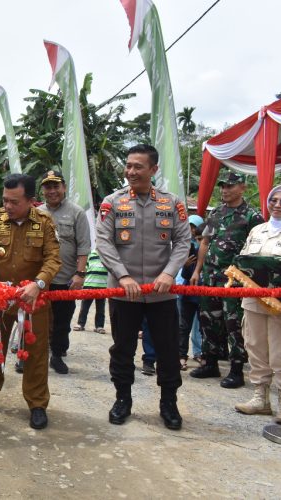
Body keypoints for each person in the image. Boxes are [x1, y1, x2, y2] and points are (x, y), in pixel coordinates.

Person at [96, 144, 191, 430]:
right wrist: (123, 276)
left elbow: (183, 242)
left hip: (162, 294)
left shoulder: (172, 203)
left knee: (168, 350)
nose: (131, 171)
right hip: (124, 294)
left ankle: (169, 403)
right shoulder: (112, 202)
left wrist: (169, 274)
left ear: (153, 169)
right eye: (128, 165)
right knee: (122, 349)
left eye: (138, 166)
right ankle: (122, 399)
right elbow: (103, 242)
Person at [0, 174, 61, 429]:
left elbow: (53, 258)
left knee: (36, 353)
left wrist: (38, 283)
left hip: (33, 300)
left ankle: (37, 404)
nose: (7, 206)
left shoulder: (44, 222)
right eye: (5, 200)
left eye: (14, 202)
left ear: (30, 200)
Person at [190, 172, 264, 388]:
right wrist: (197, 271)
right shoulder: (217, 213)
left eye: (230, 186)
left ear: (242, 188)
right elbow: (205, 242)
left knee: (233, 325)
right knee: (208, 320)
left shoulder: (252, 216)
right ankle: (210, 362)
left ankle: (236, 369)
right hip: (210, 277)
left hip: (235, 280)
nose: (224, 190)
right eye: (222, 186)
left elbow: (255, 251)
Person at [234, 185, 281, 423]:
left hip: (279, 303)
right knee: (255, 347)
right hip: (253, 298)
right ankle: (260, 397)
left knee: (279, 351)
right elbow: (244, 260)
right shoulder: (257, 230)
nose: (277, 204)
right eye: (274, 199)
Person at [37, 170, 90, 375]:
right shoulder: (37, 213)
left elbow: (84, 247)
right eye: (48, 187)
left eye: (56, 186)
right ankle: (31, 356)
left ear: (64, 187)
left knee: (62, 321)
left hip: (65, 279)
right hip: (40, 279)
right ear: (43, 190)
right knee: (36, 319)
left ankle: (57, 355)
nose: (52, 191)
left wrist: (79, 274)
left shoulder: (77, 213)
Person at [176, 214, 204, 370]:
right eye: (191, 228)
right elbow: (186, 275)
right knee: (183, 326)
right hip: (186, 294)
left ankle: (201, 354)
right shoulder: (187, 246)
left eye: (202, 239)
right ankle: (181, 356)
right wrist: (186, 265)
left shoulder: (211, 253)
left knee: (202, 327)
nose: (199, 242)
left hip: (204, 295)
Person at [73, 249, 108, 334]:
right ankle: (80, 324)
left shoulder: (107, 255)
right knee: (84, 307)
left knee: (100, 308)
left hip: (102, 286)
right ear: (96, 241)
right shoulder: (90, 255)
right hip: (89, 285)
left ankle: (99, 326)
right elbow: (84, 268)